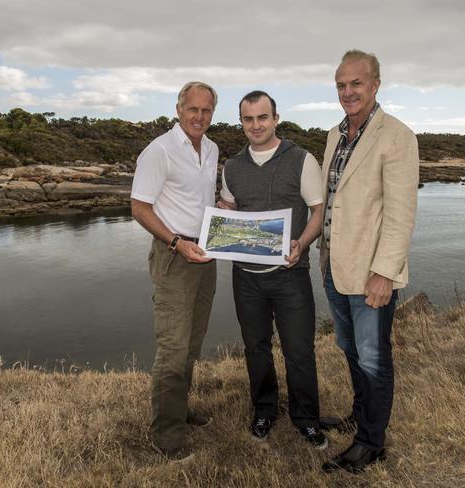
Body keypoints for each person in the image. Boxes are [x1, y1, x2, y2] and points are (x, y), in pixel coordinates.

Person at [319, 50, 419, 474]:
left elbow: (400, 214)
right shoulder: (333, 135)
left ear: (375, 85)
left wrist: (385, 273)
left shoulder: (397, 136)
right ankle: (360, 415)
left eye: (356, 83)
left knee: (374, 357)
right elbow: (330, 204)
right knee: (350, 350)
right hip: (333, 267)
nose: (348, 92)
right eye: (341, 85)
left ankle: (371, 442)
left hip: (370, 275)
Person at [218, 90, 327, 449]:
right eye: (248, 119)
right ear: (241, 123)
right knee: (256, 348)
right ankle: (264, 409)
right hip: (245, 277)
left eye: (262, 118)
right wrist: (220, 220)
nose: (256, 125)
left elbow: (317, 211)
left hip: (290, 275)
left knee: (299, 350)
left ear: (276, 118)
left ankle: (306, 418)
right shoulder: (232, 166)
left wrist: (302, 243)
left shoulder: (301, 159)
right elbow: (229, 210)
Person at [130, 81, 219, 463]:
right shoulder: (159, 151)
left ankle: (179, 410)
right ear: (178, 108)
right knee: (173, 346)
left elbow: (206, 201)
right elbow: (139, 207)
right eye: (192, 109)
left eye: (206, 110)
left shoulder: (212, 149)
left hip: (206, 253)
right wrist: (175, 243)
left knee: (193, 341)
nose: (199, 117)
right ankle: (167, 437)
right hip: (174, 254)